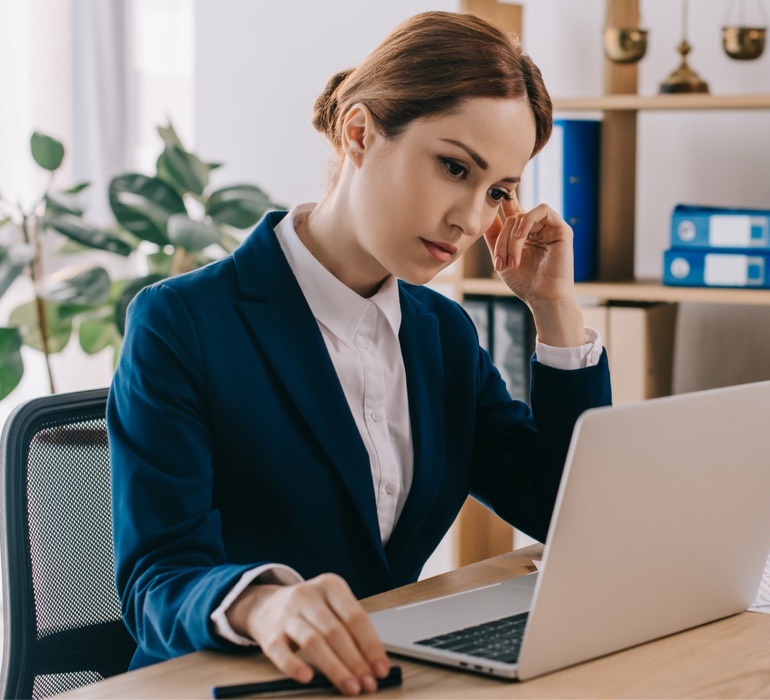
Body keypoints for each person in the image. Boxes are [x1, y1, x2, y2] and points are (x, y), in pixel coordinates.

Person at [108, 12, 611, 695]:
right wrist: (266, 604)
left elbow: (565, 513)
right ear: (359, 132)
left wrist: (555, 310)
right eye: (453, 167)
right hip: (221, 684)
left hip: (375, 679)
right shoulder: (182, 322)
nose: (470, 218)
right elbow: (155, 579)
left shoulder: (442, 334)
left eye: (496, 191)